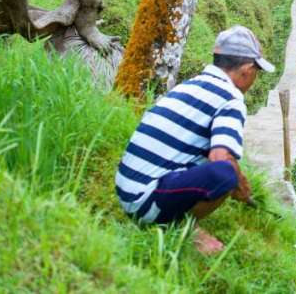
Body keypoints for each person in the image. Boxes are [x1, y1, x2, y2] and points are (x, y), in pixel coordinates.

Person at [115, 25, 275, 254]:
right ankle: (183, 228)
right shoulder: (231, 99)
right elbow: (221, 157)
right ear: (248, 69)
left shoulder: (190, 86)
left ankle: (171, 215)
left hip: (125, 190)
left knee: (222, 169)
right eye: (257, 72)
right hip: (144, 203)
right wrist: (239, 184)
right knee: (225, 174)